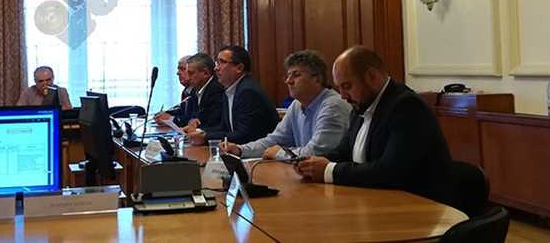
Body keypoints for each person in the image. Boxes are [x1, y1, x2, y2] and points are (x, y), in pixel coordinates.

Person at [296, 46, 458, 207]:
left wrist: (329, 170)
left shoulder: (407, 106)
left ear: (372, 77)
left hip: (420, 208)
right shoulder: (360, 106)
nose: (343, 96)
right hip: (375, 203)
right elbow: (343, 152)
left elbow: (389, 172)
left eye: (347, 86)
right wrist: (310, 164)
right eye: (339, 88)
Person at [220, 49, 350, 159]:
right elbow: (274, 140)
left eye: (296, 75)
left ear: (317, 78)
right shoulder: (296, 105)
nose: (289, 81)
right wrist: (240, 150)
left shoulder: (333, 106)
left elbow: (316, 153)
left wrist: (279, 153)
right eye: (288, 76)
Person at [188, 46, 278, 145]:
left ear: (239, 68)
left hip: (263, 151)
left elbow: (245, 135)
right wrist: (199, 132)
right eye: (217, 63)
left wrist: (205, 137)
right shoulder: (230, 89)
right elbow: (225, 127)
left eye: (222, 62)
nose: (216, 68)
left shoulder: (248, 91)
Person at [177, 52, 224, 129]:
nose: (188, 77)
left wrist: (196, 127)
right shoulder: (195, 91)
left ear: (205, 73)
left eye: (191, 73)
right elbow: (195, 118)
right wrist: (193, 122)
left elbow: (214, 123)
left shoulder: (216, 89)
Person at [155, 55, 192, 124]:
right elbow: (182, 111)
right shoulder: (186, 91)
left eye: (182, 69)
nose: (178, 73)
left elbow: (194, 119)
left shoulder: (198, 92)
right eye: (178, 69)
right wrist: (165, 113)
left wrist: (171, 118)